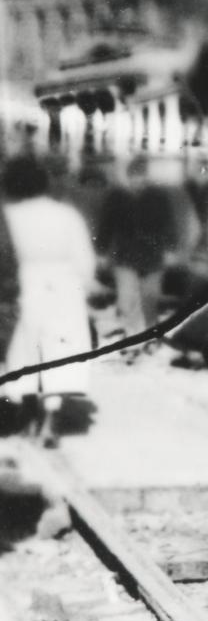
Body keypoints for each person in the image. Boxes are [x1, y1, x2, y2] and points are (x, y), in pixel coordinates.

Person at [1, 158, 97, 445]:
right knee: (60, 350)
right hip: (63, 288)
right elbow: (84, 261)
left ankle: (25, 409)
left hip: (23, 286)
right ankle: (51, 416)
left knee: (24, 350)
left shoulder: (8, 215)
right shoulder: (66, 215)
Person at [96, 156, 179, 344]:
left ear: (146, 177)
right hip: (125, 255)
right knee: (127, 300)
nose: (137, 180)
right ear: (128, 176)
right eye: (134, 176)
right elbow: (105, 226)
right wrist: (101, 251)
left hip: (152, 255)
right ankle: (131, 338)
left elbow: (169, 224)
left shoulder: (158, 196)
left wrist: (170, 249)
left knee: (150, 299)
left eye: (141, 176)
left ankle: (152, 336)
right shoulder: (116, 197)